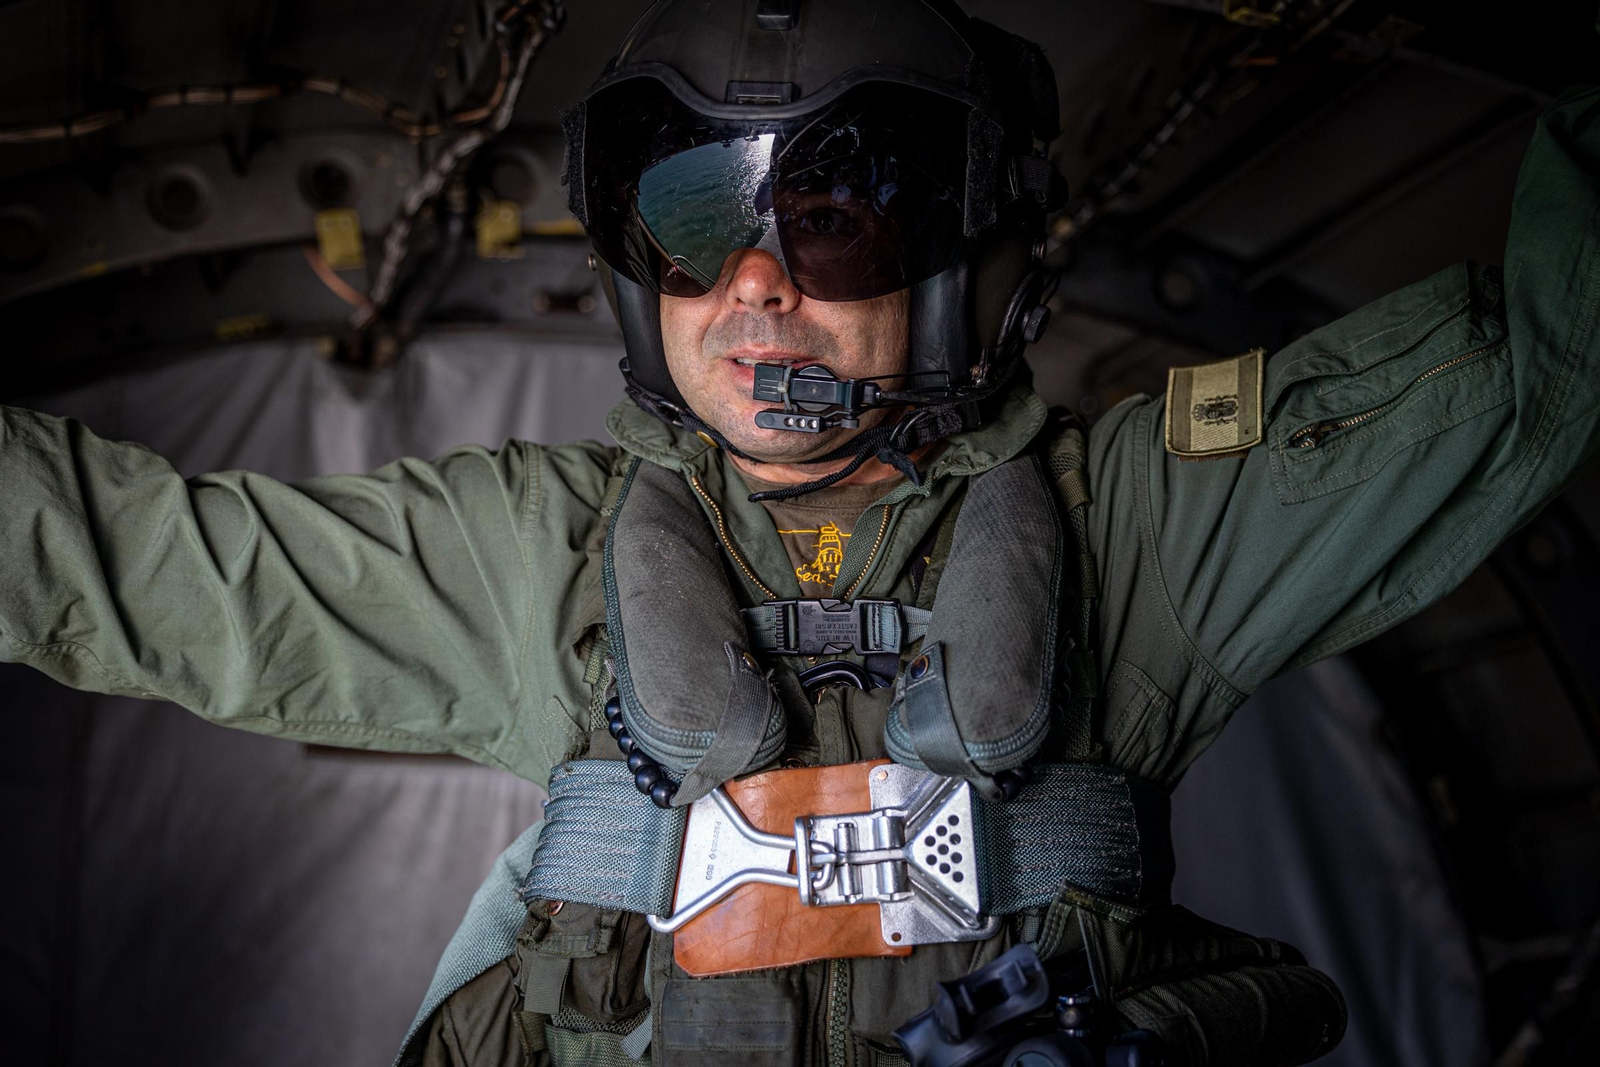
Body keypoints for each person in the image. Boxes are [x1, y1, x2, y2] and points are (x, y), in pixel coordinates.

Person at [2, 0, 1596, 1063]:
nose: (755, 285)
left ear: (966, 253)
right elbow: (125, 563)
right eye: (693, 226)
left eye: (833, 221)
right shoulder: (528, 555)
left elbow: (1536, 362)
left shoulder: (1146, 531)